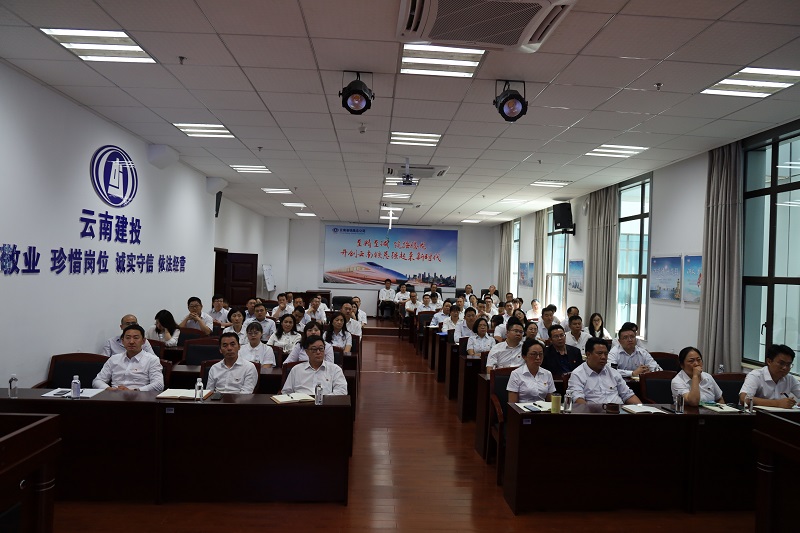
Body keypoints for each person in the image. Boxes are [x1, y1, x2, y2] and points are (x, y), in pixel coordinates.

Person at [568, 338, 642, 405]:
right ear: (588, 354)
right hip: (594, 412)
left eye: (606, 354)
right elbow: (578, 399)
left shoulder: (613, 372)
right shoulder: (577, 374)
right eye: (599, 353)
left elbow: (628, 395)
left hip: (618, 411)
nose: (603, 357)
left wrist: (641, 409)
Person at [93, 324, 163, 392]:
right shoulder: (114, 359)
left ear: (143, 341)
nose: (131, 342)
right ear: (122, 341)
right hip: (115, 396)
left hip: (139, 396)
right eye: (128, 338)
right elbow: (97, 381)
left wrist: (133, 391)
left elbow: (158, 385)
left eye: (136, 338)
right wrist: (111, 390)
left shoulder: (152, 360)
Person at [281, 335, 348, 396]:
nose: (318, 352)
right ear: (307, 352)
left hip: (326, 404)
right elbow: (286, 391)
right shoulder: (296, 369)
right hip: (301, 404)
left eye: (321, 349)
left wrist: (321, 399)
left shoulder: (335, 369)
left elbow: (342, 392)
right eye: (314, 349)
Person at [507, 339, 555, 404]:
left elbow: (550, 402)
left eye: (540, 354)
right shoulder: (516, 374)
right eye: (534, 354)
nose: (538, 358)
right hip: (522, 409)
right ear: (524, 356)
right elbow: (512, 404)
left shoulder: (547, 374)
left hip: (543, 409)